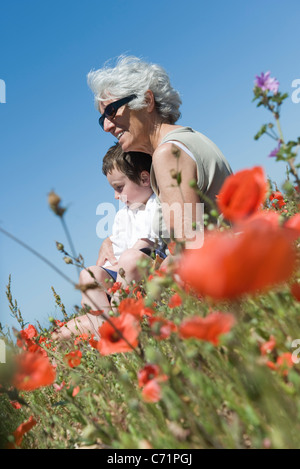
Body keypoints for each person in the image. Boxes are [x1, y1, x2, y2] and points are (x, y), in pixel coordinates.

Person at [87, 55, 233, 268]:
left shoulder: (168, 154)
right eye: (103, 119)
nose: (107, 126)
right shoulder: (184, 140)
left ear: (147, 101)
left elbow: (191, 250)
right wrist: (110, 241)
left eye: (111, 111)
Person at [52, 143, 164, 342]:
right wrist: (98, 276)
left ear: (145, 178)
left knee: (130, 258)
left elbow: (146, 244)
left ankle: (118, 322)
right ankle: (105, 333)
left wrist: (118, 270)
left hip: (150, 265)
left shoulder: (156, 204)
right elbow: (116, 254)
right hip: (124, 270)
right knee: (89, 274)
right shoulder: (122, 215)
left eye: (120, 188)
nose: (116, 196)